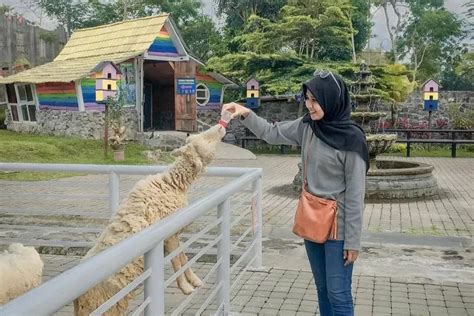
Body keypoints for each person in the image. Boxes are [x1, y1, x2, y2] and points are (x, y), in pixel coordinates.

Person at [222, 70, 369, 316]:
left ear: (332, 99)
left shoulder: (353, 141)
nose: (309, 105)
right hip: (312, 219)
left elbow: (356, 196)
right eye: (307, 99)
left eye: (315, 99)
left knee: (338, 292)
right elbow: (271, 133)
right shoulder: (308, 127)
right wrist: (245, 112)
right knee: (323, 289)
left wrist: (353, 241)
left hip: (339, 228)